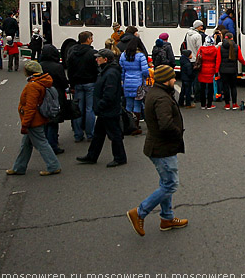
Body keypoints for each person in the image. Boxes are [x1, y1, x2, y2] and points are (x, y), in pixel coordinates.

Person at [127, 64, 187, 236]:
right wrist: (178, 134)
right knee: (170, 185)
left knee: (165, 182)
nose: (175, 80)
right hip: (163, 148)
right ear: (166, 80)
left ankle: (167, 218)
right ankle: (139, 212)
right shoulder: (161, 98)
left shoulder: (156, 92)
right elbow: (166, 124)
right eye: (173, 78)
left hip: (158, 146)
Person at [5, 60, 61, 176]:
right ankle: (19, 167)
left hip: (33, 120)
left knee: (41, 143)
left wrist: (25, 124)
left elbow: (30, 107)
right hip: (38, 118)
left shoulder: (33, 86)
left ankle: (53, 165)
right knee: (26, 144)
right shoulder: (42, 81)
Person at [77, 49, 128, 167]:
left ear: (105, 59)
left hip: (108, 110)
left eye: (98, 57)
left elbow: (109, 93)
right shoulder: (107, 71)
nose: (96, 59)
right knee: (98, 134)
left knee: (114, 135)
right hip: (106, 110)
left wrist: (101, 105)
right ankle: (92, 156)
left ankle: (119, 158)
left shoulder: (110, 73)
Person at [66, 31, 98, 143]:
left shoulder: (72, 53)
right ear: (88, 39)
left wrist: (72, 84)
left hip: (77, 84)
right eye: (91, 38)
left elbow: (70, 70)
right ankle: (90, 134)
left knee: (77, 110)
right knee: (90, 109)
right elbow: (96, 69)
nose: (92, 40)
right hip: (90, 83)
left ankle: (78, 135)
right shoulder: (93, 53)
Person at [39, 44, 68, 154]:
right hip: (56, 94)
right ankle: (53, 144)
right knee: (53, 121)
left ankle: (45, 142)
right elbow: (63, 81)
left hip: (42, 94)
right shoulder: (57, 66)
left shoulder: (40, 65)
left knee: (45, 119)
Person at [120, 36, 150, 133]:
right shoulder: (140, 56)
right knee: (137, 104)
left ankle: (128, 125)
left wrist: (123, 80)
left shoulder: (123, 55)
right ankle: (135, 127)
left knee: (128, 104)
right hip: (138, 82)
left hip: (127, 82)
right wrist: (145, 78)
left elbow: (122, 70)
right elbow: (145, 70)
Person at [219, 32, 245, 110]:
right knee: (233, 87)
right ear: (232, 38)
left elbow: (218, 59)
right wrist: (244, 64)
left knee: (225, 87)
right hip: (233, 70)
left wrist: (217, 70)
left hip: (223, 70)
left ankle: (227, 104)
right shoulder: (236, 47)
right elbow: (240, 58)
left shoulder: (220, 47)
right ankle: (234, 104)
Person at [196, 35, 220, 110]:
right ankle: (209, 104)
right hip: (211, 70)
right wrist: (216, 71)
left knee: (202, 88)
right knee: (210, 88)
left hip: (202, 70)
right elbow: (218, 60)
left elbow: (197, 57)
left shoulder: (201, 49)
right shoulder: (215, 50)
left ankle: (203, 105)